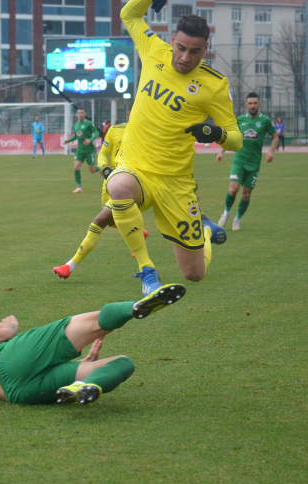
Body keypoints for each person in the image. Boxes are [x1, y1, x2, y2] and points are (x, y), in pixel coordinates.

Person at [108, 1, 242, 302]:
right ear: (172, 40)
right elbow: (129, 13)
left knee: (194, 273)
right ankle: (147, 271)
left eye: (195, 52)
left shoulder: (214, 85)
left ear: (205, 49)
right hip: (136, 168)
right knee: (118, 187)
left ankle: (205, 231)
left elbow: (236, 139)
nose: (184, 57)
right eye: (180, 48)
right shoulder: (153, 50)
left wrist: (215, 133)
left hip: (176, 183)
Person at [0, 286, 185, 405]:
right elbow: (5, 332)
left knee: (122, 363)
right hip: (10, 359)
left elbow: (11, 375)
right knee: (91, 324)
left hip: (18, 393)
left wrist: (82, 363)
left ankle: (86, 385)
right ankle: (135, 307)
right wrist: (10, 324)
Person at [53, 111, 149, 279]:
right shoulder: (115, 130)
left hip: (131, 185)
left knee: (99, 221)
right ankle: (139, 236)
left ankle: (69, 266)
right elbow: (103, 153)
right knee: (113, 222)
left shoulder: (148, 132)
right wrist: (104, 168)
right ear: (128, 114)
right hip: (111, 183)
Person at [216, 92, 279, 231]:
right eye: (250, 103)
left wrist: (271, 151)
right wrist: (221, 152)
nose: (253, 106)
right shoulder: (240, 120)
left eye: (255, 103)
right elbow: (230, 137)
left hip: (254, 164)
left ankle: (237, 220)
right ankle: (226, 214)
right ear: (246, 105)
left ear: (259, 104)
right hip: (239, 161)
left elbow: (275, 137)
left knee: (246, 194)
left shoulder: (265, 121)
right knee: (233, 189)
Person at [61, 107, 100, 193]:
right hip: (80, 150)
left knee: (92, 170)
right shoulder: (76, 125)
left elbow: (97, 133)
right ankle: (79, 187)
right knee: (76, 167)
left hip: (89, 150)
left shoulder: (89, 123)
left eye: (82, 113)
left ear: (85, 114)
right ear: (76, 115)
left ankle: (99, 168)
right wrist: (68, 140)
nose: (80, 114)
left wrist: (90, 140)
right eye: (79, 113)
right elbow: (76, 135)